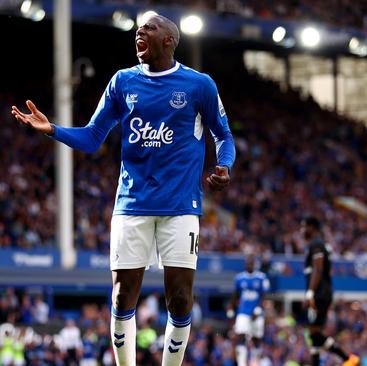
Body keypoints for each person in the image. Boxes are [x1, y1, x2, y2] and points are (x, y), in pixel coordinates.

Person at [12, 14, 235, 366]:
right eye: (138, 29)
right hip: (131, 205)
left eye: (150, 28)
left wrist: (224, 167)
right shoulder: (123, 82)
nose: (140, 31)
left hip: (181, 206)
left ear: (169, 40)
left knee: (179, 299)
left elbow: (223, 136)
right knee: (121, 296)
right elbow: (92, 136)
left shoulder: (199, 85)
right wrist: (52, 129)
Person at [301, 217, 359, 366]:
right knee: (313, 335)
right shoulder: (316, 245)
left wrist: (310, 293)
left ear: (312, 228)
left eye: (304, 227)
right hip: (320, 293)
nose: (302, 231)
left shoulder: (317, 244)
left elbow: (318, 269)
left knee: (314, 332)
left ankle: (348, 359)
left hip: (319, 294)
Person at [228, 254, 269, 366]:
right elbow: (235, 294)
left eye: (251, 263)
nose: (249, 265)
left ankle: (255, 362)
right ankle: (241, 363)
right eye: (248, 263)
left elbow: (264, 295)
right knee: (241, 335)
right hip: (243, 312)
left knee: (256, 338)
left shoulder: (261, 278)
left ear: (255, 264)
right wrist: (231, 308)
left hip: (257, 313)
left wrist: (259, 308)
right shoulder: (240, 278)